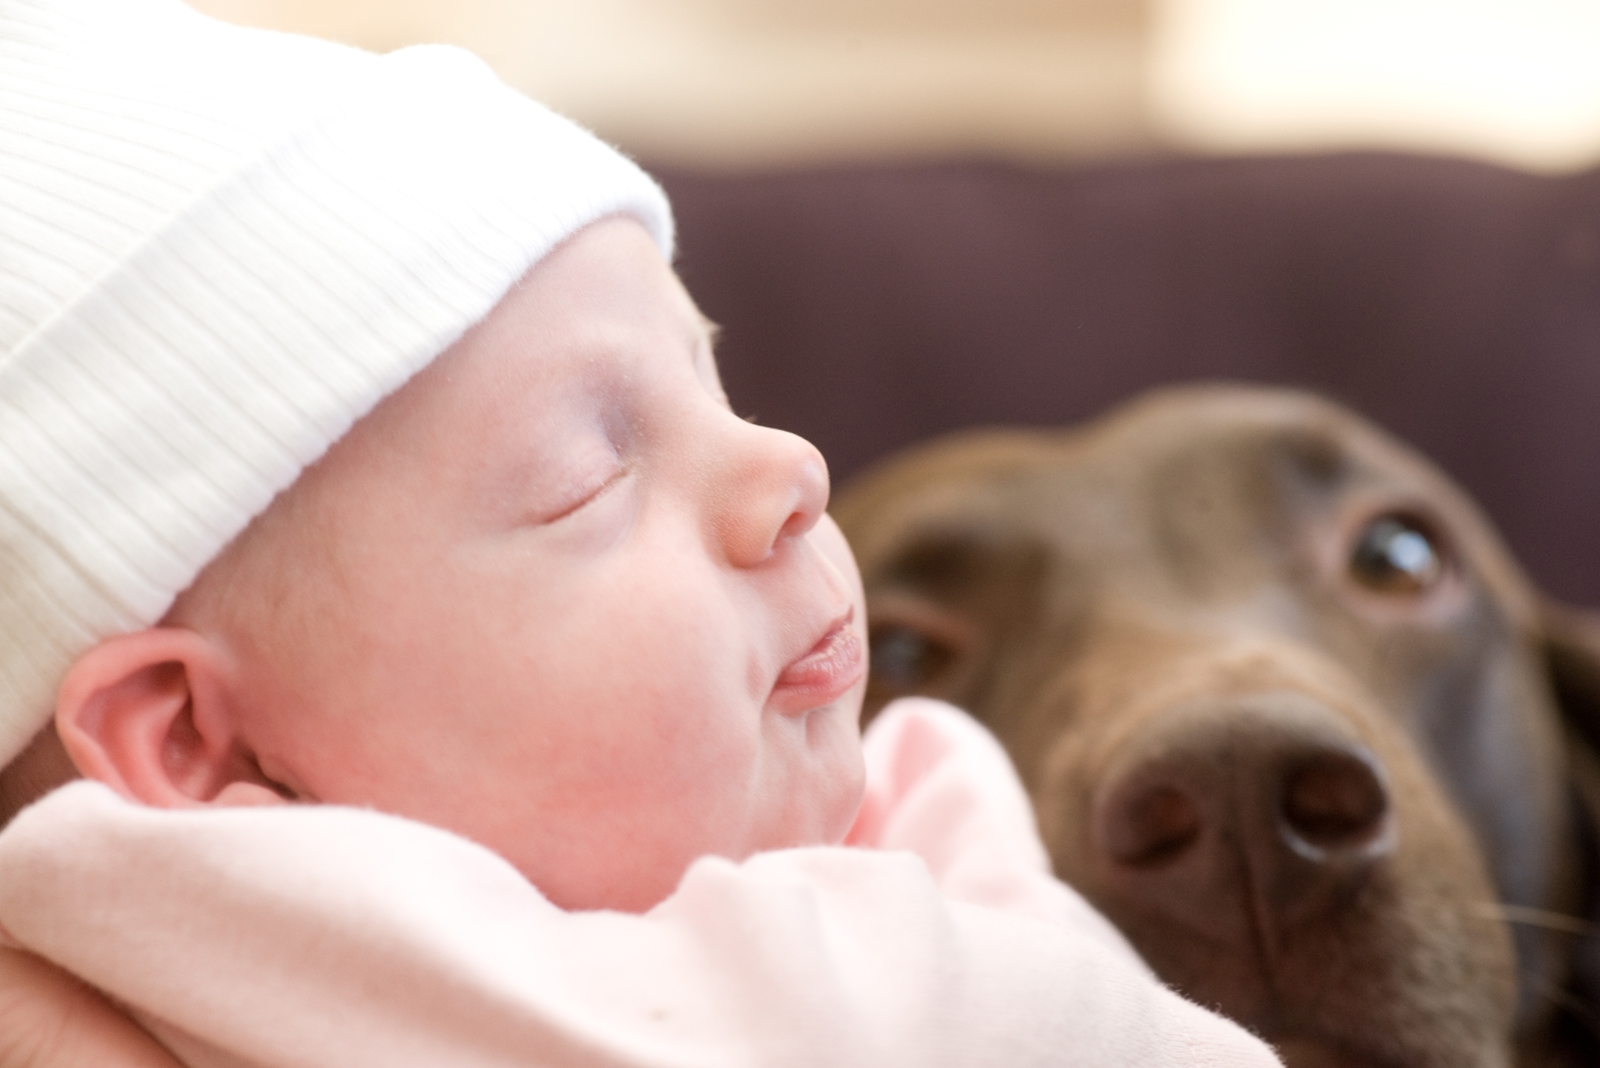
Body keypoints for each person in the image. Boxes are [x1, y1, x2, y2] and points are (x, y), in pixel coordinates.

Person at [0, 0, 1283, 1064]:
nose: (790, 471)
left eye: (713, 384)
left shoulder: (918, 822)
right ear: (192, 743)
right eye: (586, 477)